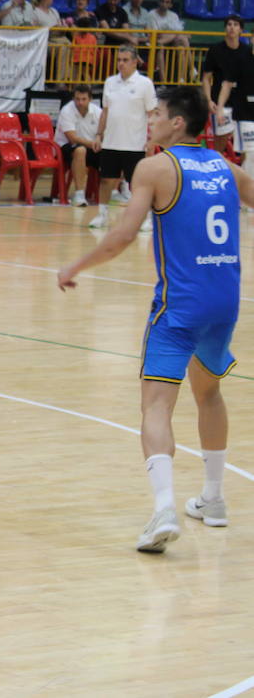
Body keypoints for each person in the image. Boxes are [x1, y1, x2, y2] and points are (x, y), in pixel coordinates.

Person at [58, 84, 251, 553]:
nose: (151, 119)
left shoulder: (154, 168)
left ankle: (164, 508)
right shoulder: (228, 169)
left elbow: (122, 237)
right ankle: (214, 499)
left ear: (177, 122)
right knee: (209, 394)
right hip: (224, 300)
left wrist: (75, 266)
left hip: (179, 305)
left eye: (157, 113)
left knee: (157, 406)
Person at [89, 47, 157, 230]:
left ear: (135, 62)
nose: (121, 63)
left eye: (125, 60)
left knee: (138, 184)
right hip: (111, 142)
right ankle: (102, 215)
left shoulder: (145, 84)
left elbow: (152, 114)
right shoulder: (110, 82)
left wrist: (152, 140)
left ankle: (146, 218)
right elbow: (105, 111)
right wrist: (98, 135)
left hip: (135, 144)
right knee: (106, 180)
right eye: (119, 59)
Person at [201, 14, 254, 165]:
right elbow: (205, 78)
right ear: (225, 28)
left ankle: (244, 177)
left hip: (243, 104)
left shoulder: (247, 52)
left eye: (235, 25)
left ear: (241, 30)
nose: (232, 27)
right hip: (221, 102)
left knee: (247, 147)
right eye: (229, 24)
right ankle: (214, 171)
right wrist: (209, 100)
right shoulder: (215, 50)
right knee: (220, 142)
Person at [54, 84, 101, 208]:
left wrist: (98, 141)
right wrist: (93, 144)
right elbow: (72, 138)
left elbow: (103, 132)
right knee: (80, 150)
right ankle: (79, 194)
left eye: (83, 99)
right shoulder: (67, 110)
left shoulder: (97, 111)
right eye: (77, 99)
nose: (80, 102)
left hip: (91, 146)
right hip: (65, 148)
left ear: (90, 99)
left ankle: (117, 191)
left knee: (115, 151)